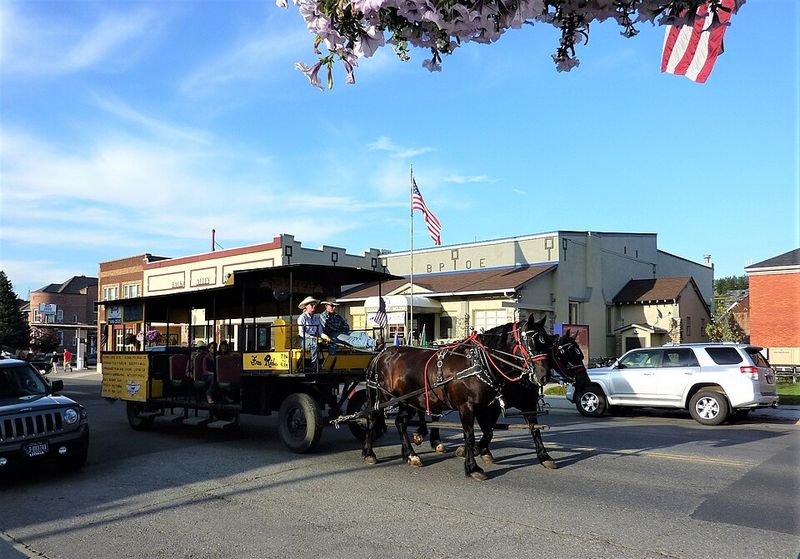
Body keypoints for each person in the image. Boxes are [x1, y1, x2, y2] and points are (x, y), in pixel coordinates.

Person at [297, 296, 322, 366]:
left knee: (327, 343)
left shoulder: (316, 318)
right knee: (314, 344)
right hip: (303, 340)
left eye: (315, 304)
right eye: (311, 304)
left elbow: (320, 331)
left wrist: (324, 336)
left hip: (314, 338)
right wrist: (313, 337)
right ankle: (314, 365)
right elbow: (301, 333)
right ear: (306, 306)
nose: (314, 306)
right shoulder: (302, 317)